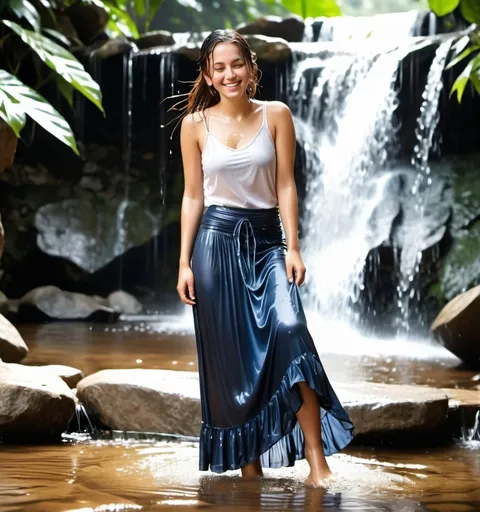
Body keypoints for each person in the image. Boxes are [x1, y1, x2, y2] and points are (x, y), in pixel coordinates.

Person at [176, 29, 354, 487]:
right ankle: (248, 469)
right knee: (231, 363)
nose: (229, 74)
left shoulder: (276, 115)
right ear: (208, 76)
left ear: (252, 68)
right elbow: (193, 196)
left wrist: (293, 246)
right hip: (214, 247)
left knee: (291, 333)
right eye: (220, 68)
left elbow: (286, 185)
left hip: (267, 242)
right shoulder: (194, 125)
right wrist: (183, 262)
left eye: (237, 64)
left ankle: (318, 463)